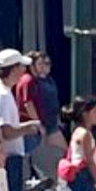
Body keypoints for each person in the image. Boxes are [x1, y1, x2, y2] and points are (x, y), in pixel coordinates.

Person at [0, 50, 40, 191]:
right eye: (21, 66)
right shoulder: (3, 96)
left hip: (3, 155)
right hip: (9, 157)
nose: (24, 70)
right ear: (14, 69)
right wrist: (30, 127)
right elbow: (7, 132)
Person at [17, 51, 64, 182]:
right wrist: (38, 124)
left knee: (63, 153)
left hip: (52, 123)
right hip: (36, 127)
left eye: (47, 63)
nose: (44, 67)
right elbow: (28, 103)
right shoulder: (28, 80)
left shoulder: (49, 80)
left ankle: (59, 183)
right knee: (36, 157)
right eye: (40, 63)